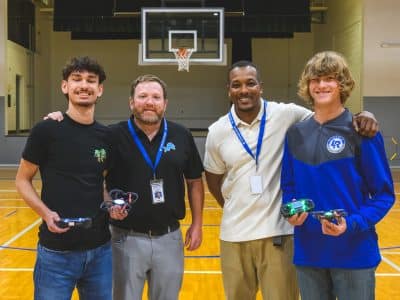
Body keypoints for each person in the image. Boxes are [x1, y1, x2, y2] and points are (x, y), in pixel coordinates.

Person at [203, 60, 379, 300]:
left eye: (250, 83)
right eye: (237, 85)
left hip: (280, 234)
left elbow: (329, 116)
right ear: (229, 89)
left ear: (261, 87)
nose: (244, 90)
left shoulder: (286, 115)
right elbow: (212, 178)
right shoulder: (218, 130)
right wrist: (231, 206)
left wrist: (364, 114)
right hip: (235, 234)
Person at [280, 51, 395, 300]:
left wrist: (352, 224)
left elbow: (384, 195)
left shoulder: (362, 131)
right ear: (307, 86)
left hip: (354, 253)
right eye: (315, 80)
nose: (321, 85)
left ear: (341, 84)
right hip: (309, 254)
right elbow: (289, 187)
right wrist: (292, 211)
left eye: (329, 78)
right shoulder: (295, 134)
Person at [15, 56, 113, 300]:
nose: (84, 85)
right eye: (76, 79)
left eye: (91, 80)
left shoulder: (106, 136)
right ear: (64, 86)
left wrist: (111, 205)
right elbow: (22, 180)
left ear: (99, 90)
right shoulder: (46, 130)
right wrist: (46, 214)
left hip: (100, 251)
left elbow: (100, 182)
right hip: (56, 254)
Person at [105, 74, 204, 300]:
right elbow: (97, 178)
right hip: (124, 238)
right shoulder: (112, 135)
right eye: (142, 96)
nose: (149, 102)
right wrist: (109, 203)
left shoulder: (181, 135)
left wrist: (197, 224)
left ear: (165, 104)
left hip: (169, 238)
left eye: (156, 97)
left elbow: (195, 182)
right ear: (131, 102)